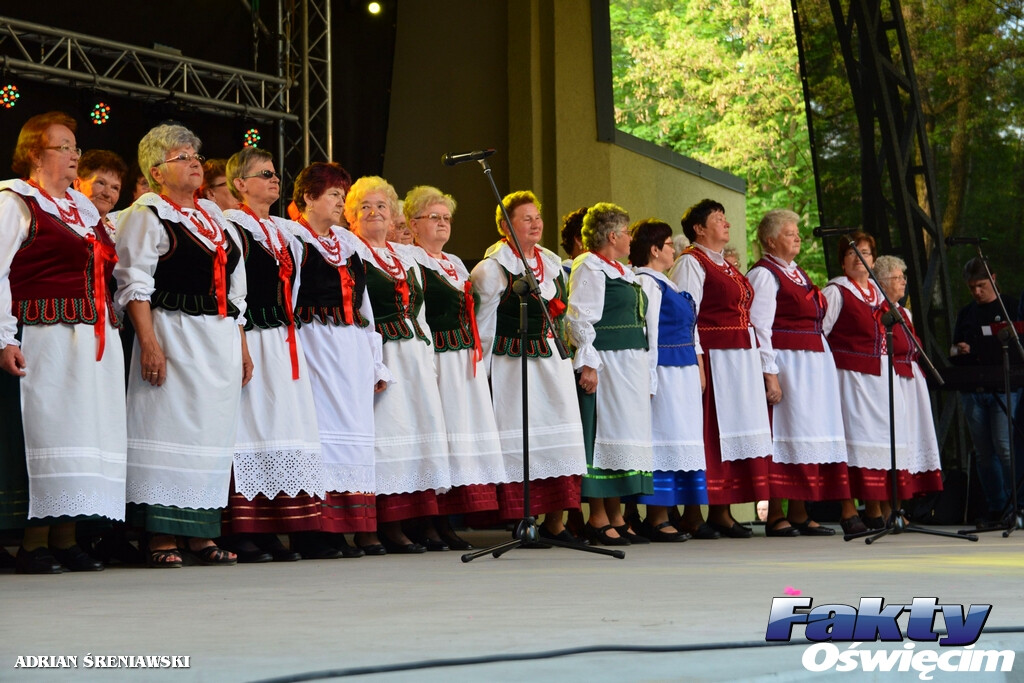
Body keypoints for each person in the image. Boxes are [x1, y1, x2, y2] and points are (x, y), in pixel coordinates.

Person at [115, 123, 251, 567]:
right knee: (166, 425)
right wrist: (149, 343)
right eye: (182, 157)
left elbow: (236, 290)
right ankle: (160, 534)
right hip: (173, 332)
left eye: (196, 155)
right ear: (156, 172)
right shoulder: (147, 214)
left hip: (218, 338)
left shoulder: (215, 216)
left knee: (211, 432)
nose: (195, 162)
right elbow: (134, 284)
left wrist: (241, 345)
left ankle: (200, 533)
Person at [0, 111, 127, 574]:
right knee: (51, 430)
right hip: (46, 333)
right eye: (64, 147)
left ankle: (66, 536)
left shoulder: (82, 209)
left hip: (92, 337)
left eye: (76, 147)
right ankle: (33, 542)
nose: (75, 155)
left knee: (83, 432)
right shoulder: (15, 202)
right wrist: (3, 337)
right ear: (36, 154)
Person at [219, 147, 324, 562]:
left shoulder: (284, 231)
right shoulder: (232, 226)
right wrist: (240, 342)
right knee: (251, 425)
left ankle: (277, 524)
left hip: (283, 339)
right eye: (264, 174)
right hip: (252, 336)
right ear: (240, 184)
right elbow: (231, 291)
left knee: (283, 423)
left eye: (275, 173)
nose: (274, 179)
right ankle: (244, 527)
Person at [471, 191, 587, 543]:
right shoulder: (491, 269)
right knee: (523, 439)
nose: (536, 223)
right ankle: (526, 519)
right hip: (513, 366)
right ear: (506, 227)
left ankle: (556, 521)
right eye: (526, 218)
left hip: (551, 362)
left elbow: (565, 315)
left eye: (537, 217)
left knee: (561, 438)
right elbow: (483, 326)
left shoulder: (550, 263)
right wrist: (482, 377)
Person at [286, 163, 385, 559]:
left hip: (350, 349)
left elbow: (365, 306)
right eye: (333, 195)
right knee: (319, 435)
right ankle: (312, 530)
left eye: (343, 196)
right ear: (308, 198)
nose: (341, 203)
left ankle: (341, 527)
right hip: (314, 343)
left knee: (350, 437)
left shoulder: (348, 243)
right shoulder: (293, 238)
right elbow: (289, 299)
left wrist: (375, 361)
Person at [346, 176, 450, 554]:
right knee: (385, 438)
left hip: (412, 354)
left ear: (393, 216)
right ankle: (376, 526)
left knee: (414, 431)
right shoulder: (351, 252)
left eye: (381, 206)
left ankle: (412, 521)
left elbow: (419, 312)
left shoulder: (405, 257)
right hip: (380, 353)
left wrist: (427, 355)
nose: (374, 212)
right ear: (351, 216)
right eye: (365, 207)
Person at [404, 185, 505, 549]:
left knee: (459, 437)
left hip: (462, 359)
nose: (443, 223)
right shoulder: (410, 260)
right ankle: (427, 521)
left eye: (447, 217)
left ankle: (446, 521)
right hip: (437, 357)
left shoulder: (455, 262)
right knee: (439, 437)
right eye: (434, 217)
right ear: (413, 224)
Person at [668, 199, 773, 539]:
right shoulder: (691, 263)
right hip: (713, 357)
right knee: (709, 433)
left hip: (738, 359)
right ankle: (693, 513)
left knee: (730, 433)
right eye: (718, 219)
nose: (726, 224)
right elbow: (687, 318)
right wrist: (698, 363)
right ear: (699, 229)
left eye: (725, 218)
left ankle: (721, 510)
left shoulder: (725, 265)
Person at [747, 209, 848, 537]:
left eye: (797, 233)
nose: (797, 238)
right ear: (770, 240)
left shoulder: (796, 272)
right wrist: (770, 373)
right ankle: (776, 513)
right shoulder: (765, 274)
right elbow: (759, 326)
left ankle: (800, 511)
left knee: (806, 435)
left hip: (813, 365)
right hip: (788, 363)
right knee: (784, 436)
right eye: (789, 233)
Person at [567, 202, 654, 545]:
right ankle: (598, 517)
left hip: (629, 362)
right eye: (627, 232)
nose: (631, 238)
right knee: (603, 436)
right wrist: (588, 362)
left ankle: (616, 514)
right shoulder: (589, 265)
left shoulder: (622, 270)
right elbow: (578, 317)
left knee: (621, 436)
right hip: (607, 361)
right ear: (613, 236)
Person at [625, 218, 704, 541]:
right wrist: (649, 378)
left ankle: (673, 512)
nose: (674, 249)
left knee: (679, 439)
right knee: (663, 438)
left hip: (682, 371)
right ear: (655, 250)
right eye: (670, 244)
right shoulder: (646, 282)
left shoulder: (666, 283)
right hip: (665, 371)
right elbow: (649, 335)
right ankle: (656, 516)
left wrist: (698, 368)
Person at [822, 231, 905, 532]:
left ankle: (874, 509)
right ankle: (848, 510)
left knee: (878, 442)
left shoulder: (878, 293)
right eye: (852, 253)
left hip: (879, 375)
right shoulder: (836, 291)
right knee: (851, 442)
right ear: (842, 262)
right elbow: (821, 333)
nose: (859, 258)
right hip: (849, 376)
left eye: (866, 253)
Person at [952, 258, 1023, 525]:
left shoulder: (1011, 307)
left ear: (993, 278)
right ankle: (996, 507)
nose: (976, 292)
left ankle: (1016, 505)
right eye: (971, 287)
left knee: (1005, 447)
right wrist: (959, 350)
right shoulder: (966, 313)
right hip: (974, 389)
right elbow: (953, 349)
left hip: (1006, 387)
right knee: (983, 454)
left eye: (981, 285)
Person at [874, 254, 943, 517]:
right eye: (897, 277)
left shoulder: (904, 312)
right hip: (891, 378)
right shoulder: (878, 310)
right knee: (893, 438)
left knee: (910, 439)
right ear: (881, 282)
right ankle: (884, 509)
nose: (903, 281)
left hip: (912, 380)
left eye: (904, 277)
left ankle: (899, 507)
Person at [74, 149, 127, 241]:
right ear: (78, 184)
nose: (107, 193)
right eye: (101, 183)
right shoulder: (65, 224)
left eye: (115, 188)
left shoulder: (123, 227)